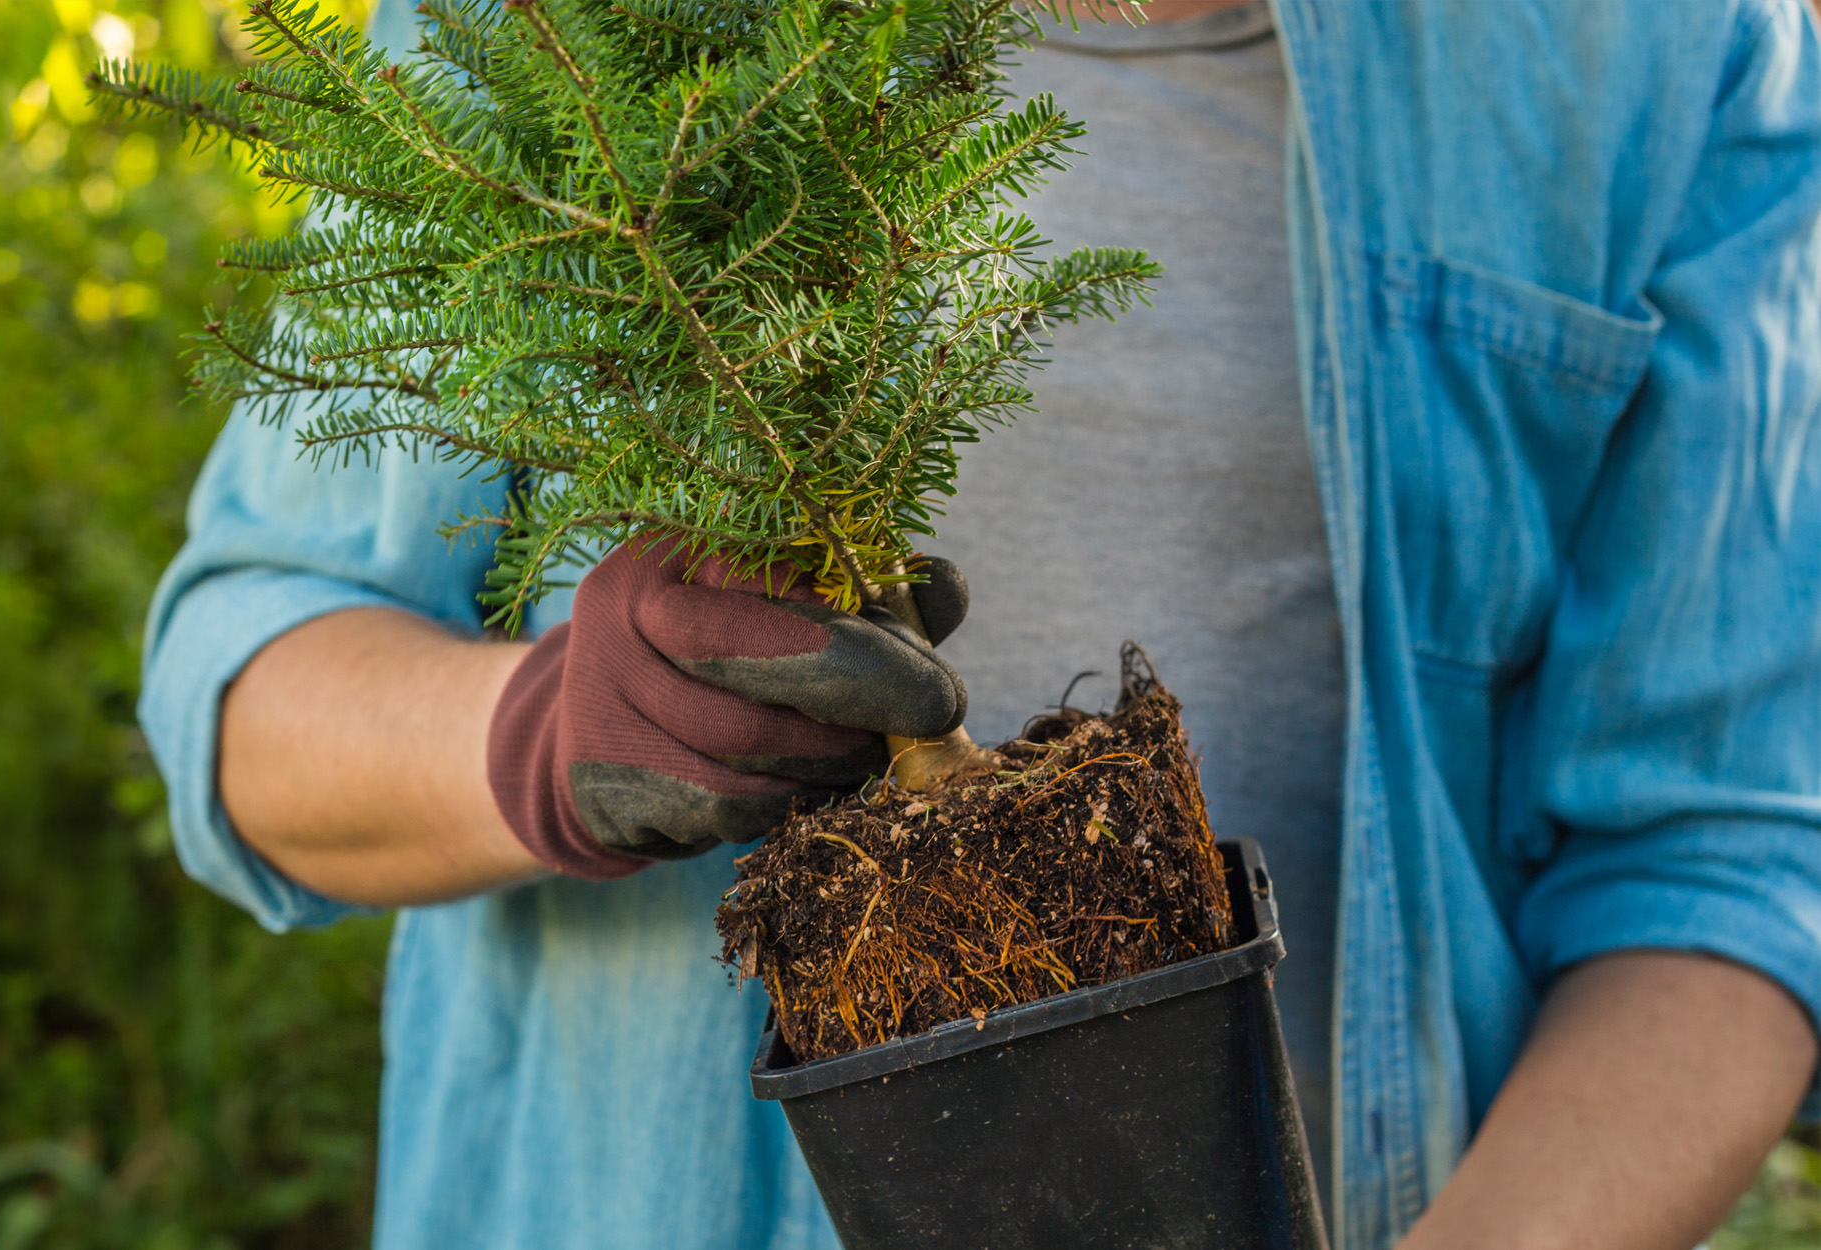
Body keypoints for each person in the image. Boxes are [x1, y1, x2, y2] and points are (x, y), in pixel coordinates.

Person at [137, 0, 1821, 1245]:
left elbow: (1727, 861)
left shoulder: (1663, 58)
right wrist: (538, 740)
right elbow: (245, 693)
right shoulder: (568, 40)